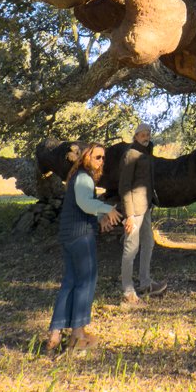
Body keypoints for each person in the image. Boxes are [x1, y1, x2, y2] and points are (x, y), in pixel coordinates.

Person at [47, 142, 121, 353]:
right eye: (97, 157)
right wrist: (107, 209)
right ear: (86, 157)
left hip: (69, 234)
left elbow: (84, 206)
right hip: (79, 236)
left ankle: (55, 332)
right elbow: (85, 203)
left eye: (103, 158)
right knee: (87, 281)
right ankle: (78, 334)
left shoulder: (78, 177)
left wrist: (99, 218)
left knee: (70, 282)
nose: (101, 162)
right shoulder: (83, 177)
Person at [119, 121, 167, 303]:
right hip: (134, 210)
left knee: (149, 243)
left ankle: (145, 282)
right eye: (142, 134)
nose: (146, 137)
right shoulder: (130, 154)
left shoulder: (147, 153)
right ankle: (127, 290)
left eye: (148, 134)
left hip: (145, 206)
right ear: (136, 136)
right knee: (131, 248)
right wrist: (129, 215)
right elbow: (124, 186)